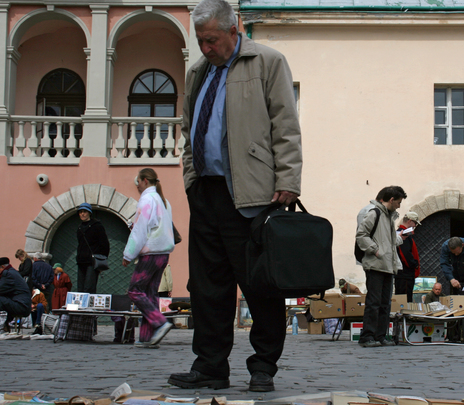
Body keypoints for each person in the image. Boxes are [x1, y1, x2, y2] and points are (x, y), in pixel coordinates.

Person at [168, 0, 302, 392]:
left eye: (211, 40)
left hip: (253, 192)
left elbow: (286, 124)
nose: (206, 48)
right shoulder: (197, 72)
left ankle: (263, 367)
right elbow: (188, 128)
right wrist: (191, 178)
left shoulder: (267, 62)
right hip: (207, 192)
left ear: (233, 30)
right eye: (200, 41)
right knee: (207, 287)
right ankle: (210, 366)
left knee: (260, 286)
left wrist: (289, 178)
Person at [122, 168, 175, 349]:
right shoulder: (163, 201)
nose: (137, 185)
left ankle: (159, 322)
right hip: (163, 253)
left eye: (137, 182)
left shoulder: (147, 200)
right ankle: (147, 337)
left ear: (144, 181)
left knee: (135, 290)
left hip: (151, 252)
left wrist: (128, 254)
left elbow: (140, 230)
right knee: (150, 294)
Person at [356, 186, 406, 348]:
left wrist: (400, 239)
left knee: (385, 303)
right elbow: (361, 235)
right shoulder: (374, 213)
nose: (399, 206)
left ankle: (381, 335)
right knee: (374, 302)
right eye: (398, 202)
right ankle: (367, 336)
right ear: (391, 200)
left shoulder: (389, 218)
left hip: (387, 266)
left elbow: (389, 241)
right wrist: (374, 250)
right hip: (376, 265)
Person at [76, 202, 110, 294]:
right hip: (81, 261)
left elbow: (104, 244)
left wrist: (101, 257)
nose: (82, 214)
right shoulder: (79, 228)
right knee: (80, 288)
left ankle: (88, 307)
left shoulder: (97, 226)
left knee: (89, 287)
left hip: (92, 261)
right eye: (80, 212)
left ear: (89, 213)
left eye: (84, 212)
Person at [0, 257, 31, 334]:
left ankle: (3, 325)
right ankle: (4, 324)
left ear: (2, 267)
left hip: (21, 306)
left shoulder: (8, 274)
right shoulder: (12, 272)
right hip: (21, 304)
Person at [396, 212, 421, 303]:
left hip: (403, 273)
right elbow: (405, 253)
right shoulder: (404, 234)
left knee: (403, 298)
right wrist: (414, 264)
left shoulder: (401, 232)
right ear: (410, 221)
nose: (415, 226)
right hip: (405, 274)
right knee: (405, 300)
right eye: (415, 223)